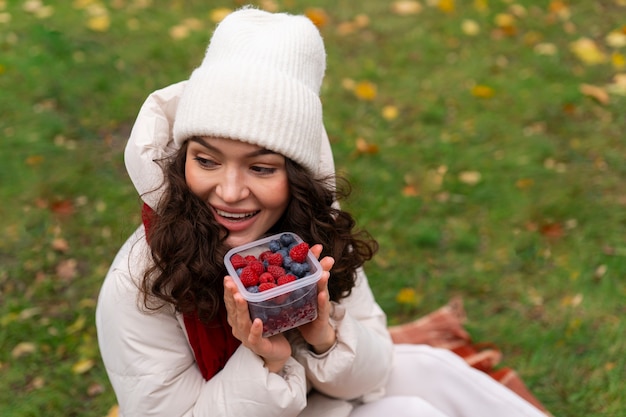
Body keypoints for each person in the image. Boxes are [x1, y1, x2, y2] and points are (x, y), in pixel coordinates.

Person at [96, 7, 550, 417]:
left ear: (297, 177)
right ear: (182, 159)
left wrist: (323, 334)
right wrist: (266, 359)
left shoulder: (310, 235)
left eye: (260, 167)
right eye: (207, 160)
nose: (229, 192)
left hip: (319, 396)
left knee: (431, 367)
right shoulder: (141, 283)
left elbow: (374, 367)